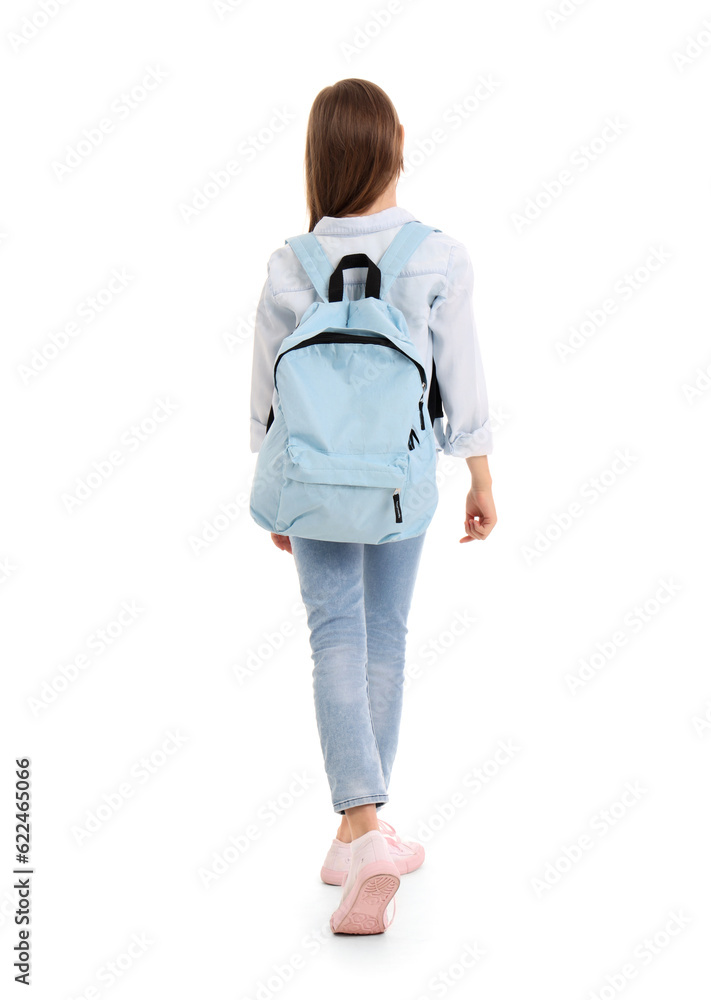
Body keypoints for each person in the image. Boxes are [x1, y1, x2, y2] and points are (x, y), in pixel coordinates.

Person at [249, 78, 497, 934]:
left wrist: (272, 484)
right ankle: (365, 828)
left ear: (321, 155)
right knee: (385, 635)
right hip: (404, 481)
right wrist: (481, 473)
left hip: (311, 479)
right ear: (395, 141)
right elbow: (460, 376)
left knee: (335, 636)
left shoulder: (292, 261)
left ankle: (358, 827)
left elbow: (265, 391)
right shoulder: (439, 255)